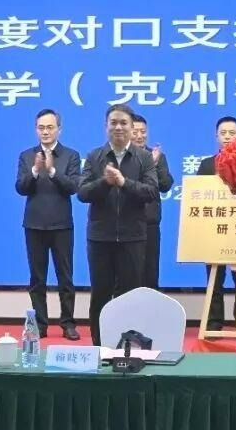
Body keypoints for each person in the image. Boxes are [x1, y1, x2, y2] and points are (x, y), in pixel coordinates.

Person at [78, 104, 159, 345]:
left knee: (130, 297)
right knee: (100, 295)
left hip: (133, 238)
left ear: (132, 127)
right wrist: (105, 182)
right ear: (106, 127)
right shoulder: (94, 157)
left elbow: (151, 192)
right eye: (113, 122)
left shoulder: (143, 157)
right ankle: (99, 346)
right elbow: (82, 193)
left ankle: (127, 348)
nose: (118, 127)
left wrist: (124, 183)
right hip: (100, 238)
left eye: (124, 123)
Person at [14, 108, 81, 341]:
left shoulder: (71, 155)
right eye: (41, 127)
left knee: (65, 278)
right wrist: (35, 170)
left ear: (59, 129)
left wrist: (52, 171)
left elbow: (73, 187)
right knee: (37, 278)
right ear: (36, 130)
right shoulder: (26, 156)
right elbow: (21, 188)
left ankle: (68, 323)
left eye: (50, 127)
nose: (45, 132)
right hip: (34, 225)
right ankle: (40, 325)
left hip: (62, 225)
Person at [196, 115, 236, 331]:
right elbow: (198, 196)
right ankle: (214, 322)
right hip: (214, 228)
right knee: (214, 277)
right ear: (216, 136)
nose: (227, 137)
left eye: (232, 133)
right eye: (223, 133)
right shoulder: (206, 164)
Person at [131, 113, 175, 289]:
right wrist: (149, 164)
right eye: (135, 132)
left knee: (150, 270)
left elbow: (165, 185)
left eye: (143, 131)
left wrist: (155, 164)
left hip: (150, 222)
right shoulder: (122, 156)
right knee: (127, 272)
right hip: (126, 222)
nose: (140, 136)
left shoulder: (157, 156)